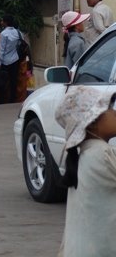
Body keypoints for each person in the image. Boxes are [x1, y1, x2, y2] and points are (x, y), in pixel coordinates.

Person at [54, 86, 116, 256]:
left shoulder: (87, 154)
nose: (114, 112)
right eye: (108, 108)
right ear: (93, 122)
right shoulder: (102, 154)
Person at [0, 14, 21, 104]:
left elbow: (1, 49)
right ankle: (13, 99)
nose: (1, 22)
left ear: (6, 23)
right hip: (15, 59)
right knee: (13, 80)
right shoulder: (17, 32)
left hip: (5, 61)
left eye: (2, 21)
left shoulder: (3, 34)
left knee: (3, 82)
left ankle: (3, 100)